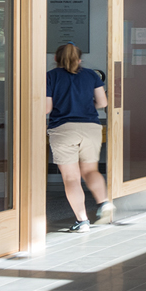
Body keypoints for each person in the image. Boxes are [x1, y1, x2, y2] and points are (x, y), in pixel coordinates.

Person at [45, 43, 113, 231]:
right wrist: (84, 104)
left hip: (63, 129)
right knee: (91, 171)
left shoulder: (50, 77)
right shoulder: (91, 75)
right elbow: (102, 102)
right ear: (79, 60)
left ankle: (82, 221)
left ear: (56, 59)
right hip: (91, 127)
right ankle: (104, 202)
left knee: (71, 178)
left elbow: (47, 108)